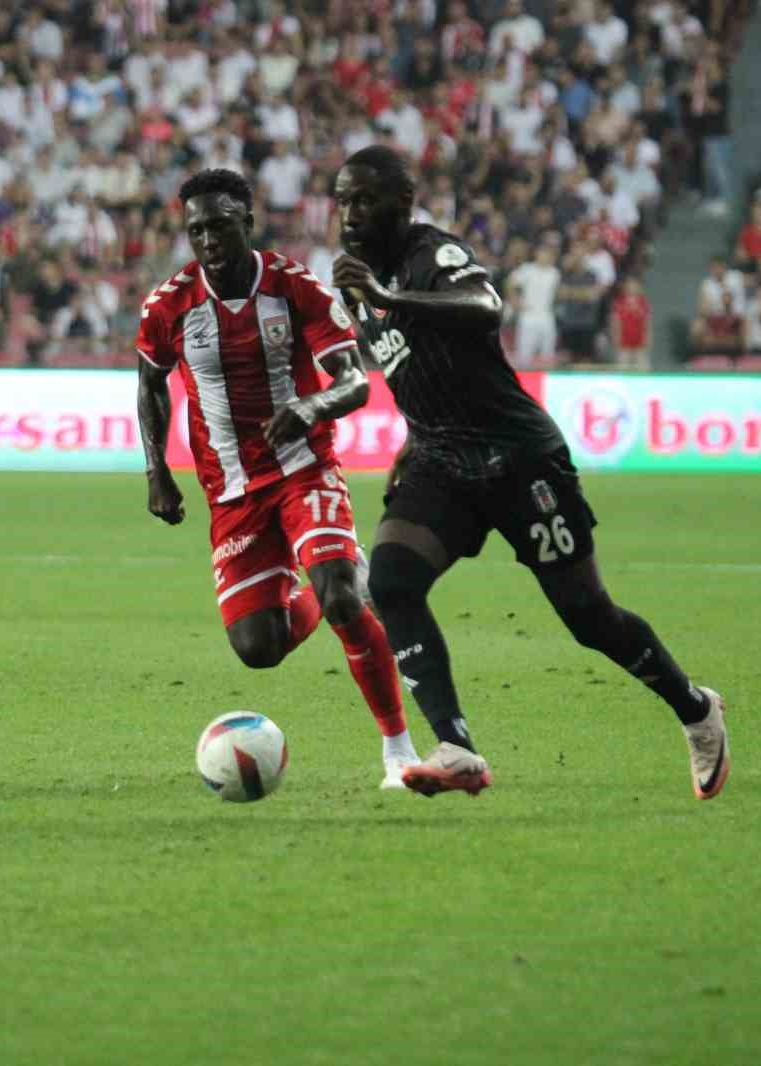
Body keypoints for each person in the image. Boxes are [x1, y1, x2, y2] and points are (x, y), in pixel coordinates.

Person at [330, 145, 728, 801]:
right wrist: (411, 439)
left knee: (587, 616)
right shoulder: (355, 284)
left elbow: (486, 307)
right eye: (342, 199)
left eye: (365, 199)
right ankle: (456, 746)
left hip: (518, 455)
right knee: (392, 581)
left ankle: (695, 709)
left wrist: (389, 293)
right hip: (442, 459)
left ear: (401, 204)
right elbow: (414, 369)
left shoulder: (432, 255)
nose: (350, 213)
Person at [137, 168, 421, 789]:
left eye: (218, 225)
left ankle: (398, 751)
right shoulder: (169, 306)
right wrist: (157, 470)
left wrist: (309, 408)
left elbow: (353, 382)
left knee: (344, 599)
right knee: (258, 647)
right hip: (232, 491)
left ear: (247, 220)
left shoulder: (297, 290)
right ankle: (334, 576)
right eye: (196, 229)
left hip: (303, 468)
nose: (207, 239)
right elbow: (149, 382)